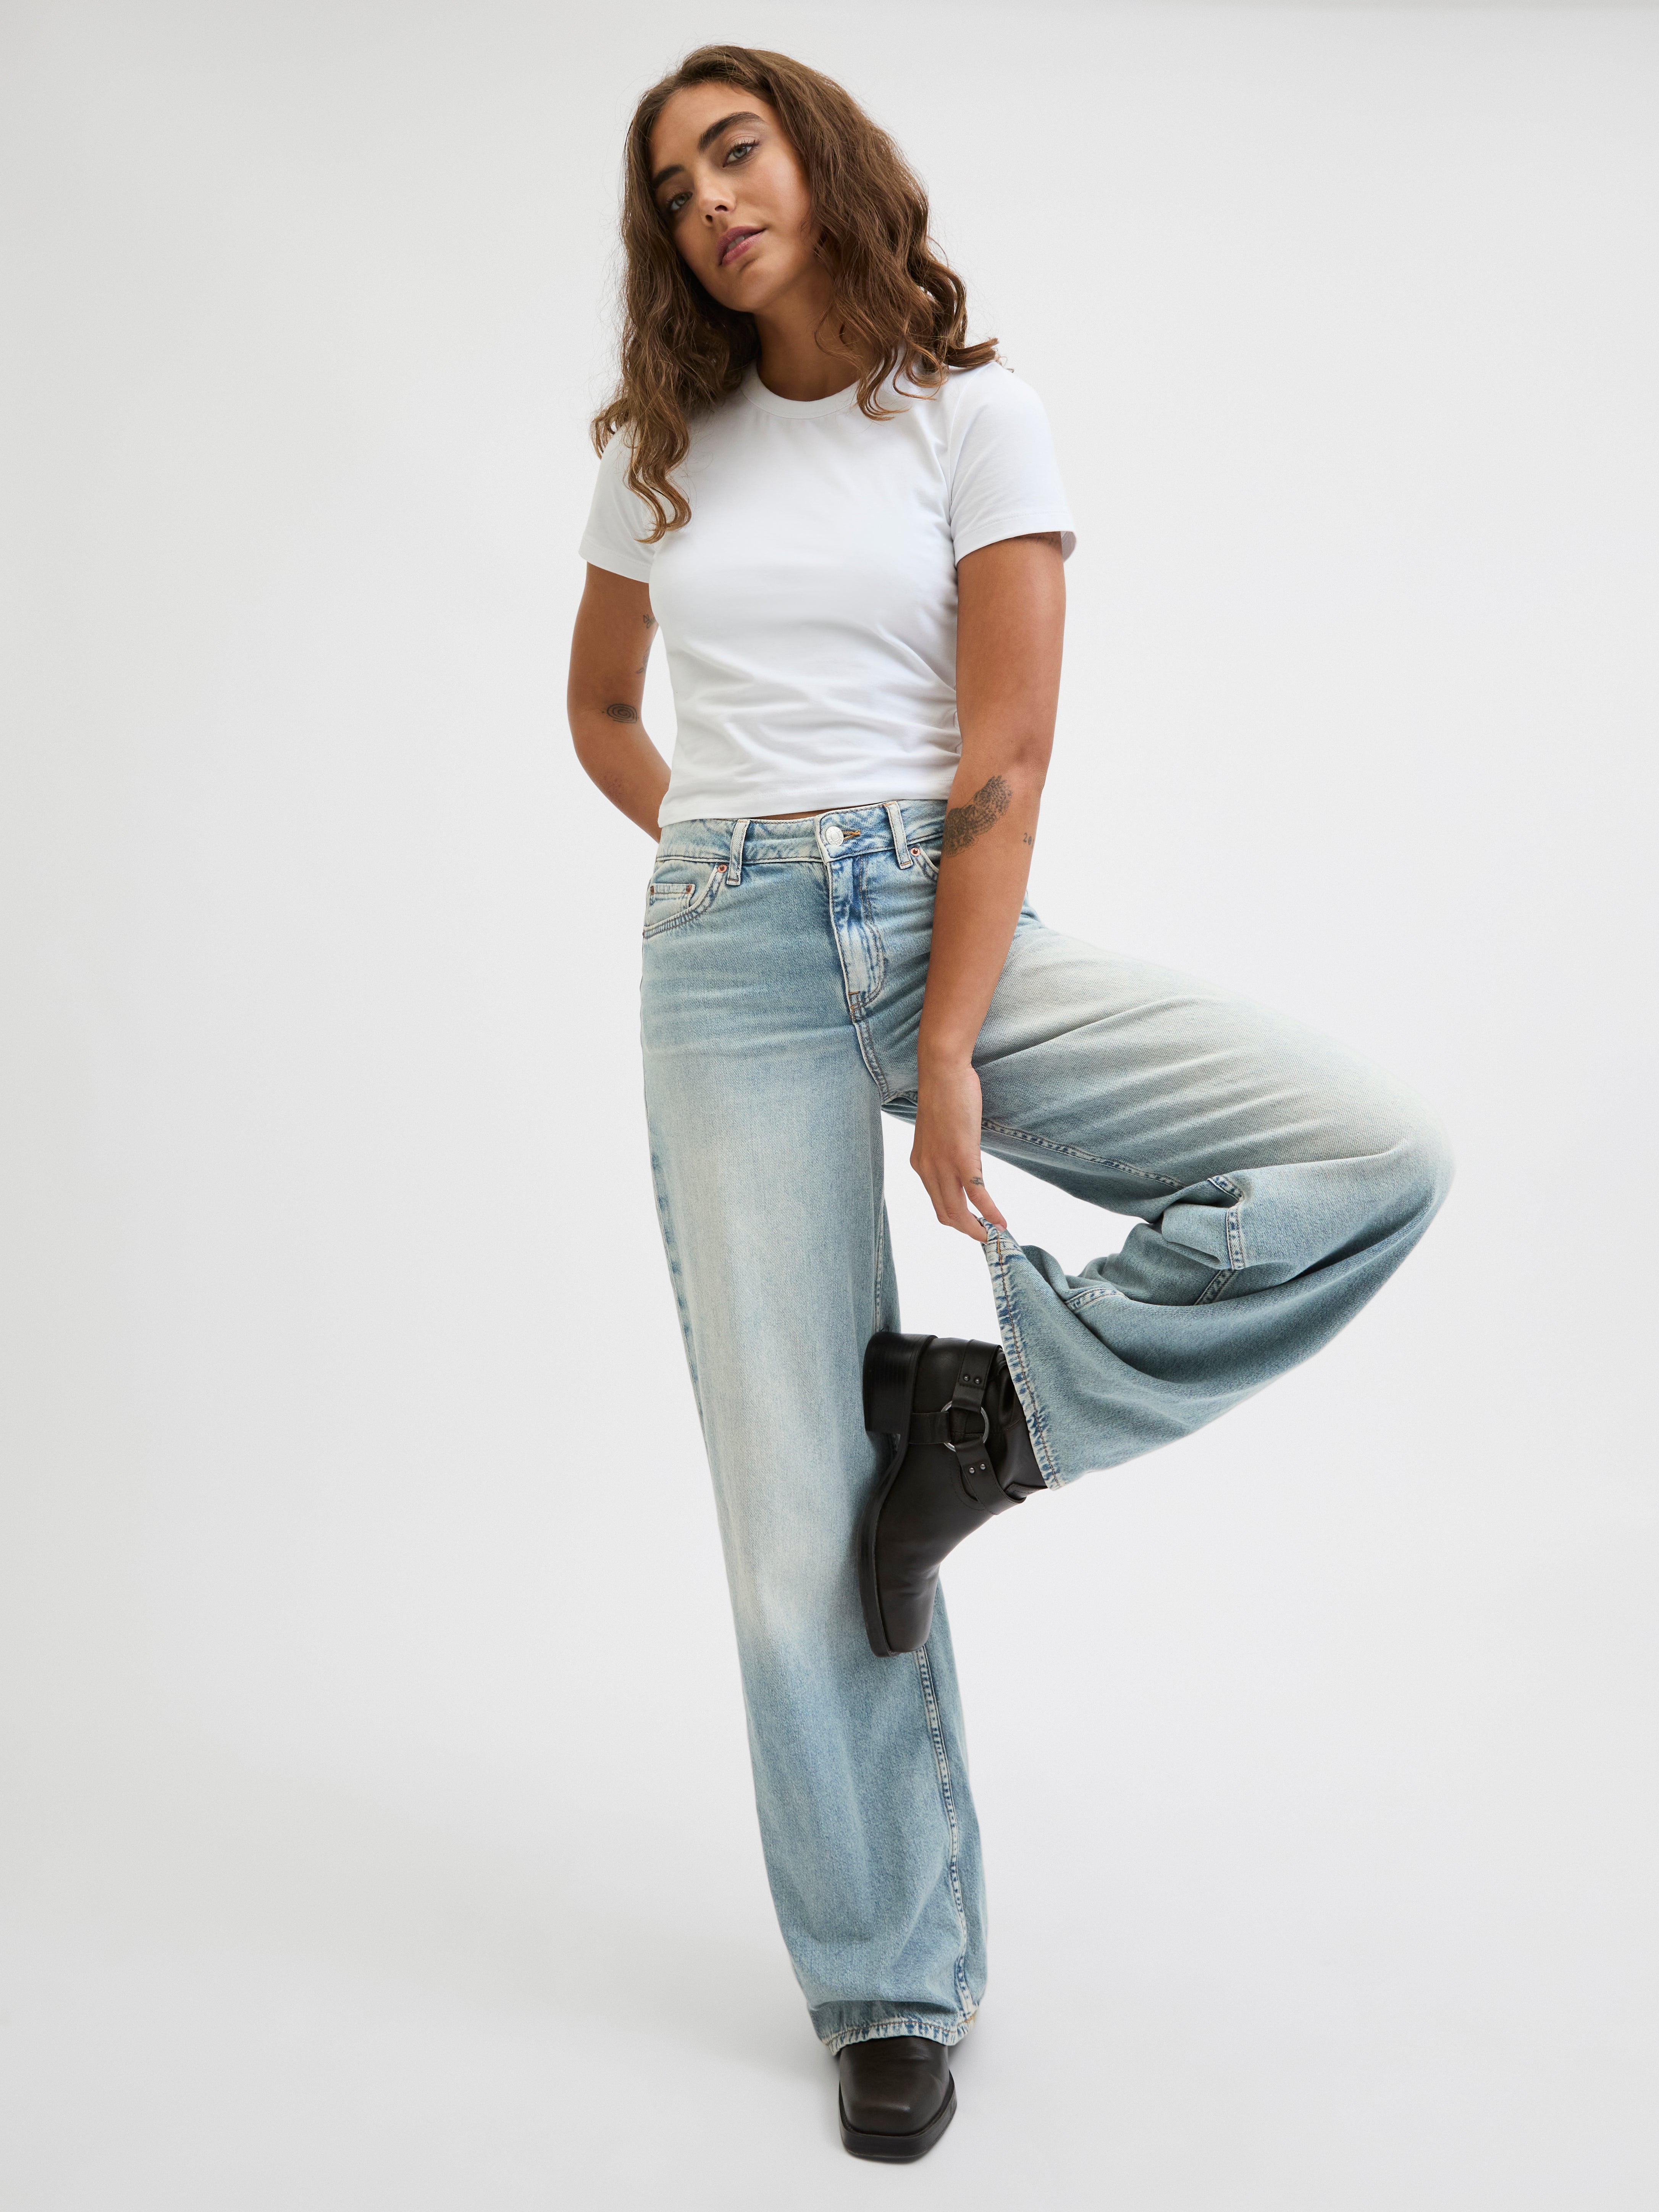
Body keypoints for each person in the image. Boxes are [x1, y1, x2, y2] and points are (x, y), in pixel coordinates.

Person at [568, 44, 1451, 2163]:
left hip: (936, 902)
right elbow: (600, 705)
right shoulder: (660, 448)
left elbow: (1007, 755)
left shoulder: (973, 417)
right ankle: (887, 1983)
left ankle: (991, 1423)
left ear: (817, 156)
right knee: (796, 1521)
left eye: (735, 151)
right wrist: (726, 859)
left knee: (1368, 1149)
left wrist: (948, 1039)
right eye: (672, 186)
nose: (709, 202)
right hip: (727, 953)